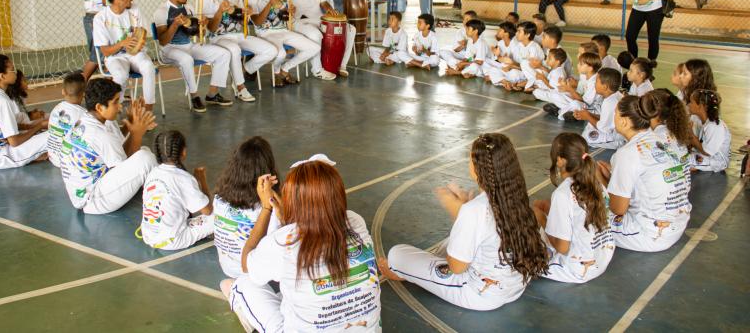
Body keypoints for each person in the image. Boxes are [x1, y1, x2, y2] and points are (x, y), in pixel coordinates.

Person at [379, 134, 548, 311]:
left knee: (397, 255)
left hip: (479, 293)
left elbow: (457, 268)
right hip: (515, 286)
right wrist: (462, 213)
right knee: (450, 243)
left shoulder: (474, 210)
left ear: (477, 168)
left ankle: (407, 272)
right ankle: (419, 270)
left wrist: (458, 213)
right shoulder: (516, 197)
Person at [225, 156, 382, 332]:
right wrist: (289, 222)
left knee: (242, 283)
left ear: (293, 201)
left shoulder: (283, 241)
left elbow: (246, 263)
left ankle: (242, 307)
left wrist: (266, 208)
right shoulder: (355, 221)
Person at [598, 95, 691, 252]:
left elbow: (618, 209)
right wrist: (614, 176)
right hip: (678, 224)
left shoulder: (626, 153)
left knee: (585, 214)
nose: (613, 117)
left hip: (651, 234)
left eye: (615, 113)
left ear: (624, 121)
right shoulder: (661, 140)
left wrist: (599, 178)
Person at [59, 78, 157, 214]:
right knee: (146, 158)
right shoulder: (98, 134)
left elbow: (117, 150)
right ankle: (163, 192)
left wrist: (130, 125)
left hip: (86, 192)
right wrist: (136, 134)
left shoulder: (86, 121)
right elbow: (125, 164)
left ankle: (155, 186)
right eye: (115, 102)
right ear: (100, 107)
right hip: (94, 200)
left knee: (143, 152)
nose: (120, 107)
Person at [532, 133, 614, 283]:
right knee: (544, 207)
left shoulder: (563, 193)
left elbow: (563, 248)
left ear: (560, 160)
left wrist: (541, 219)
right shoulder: (597, 184)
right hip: (602, 259)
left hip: (576, 268)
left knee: (533, 217)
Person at [153, 0, 233, 111]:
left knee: (223, 53)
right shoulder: (161, 11)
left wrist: (201, 27)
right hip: (169, 49)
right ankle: (194, 96)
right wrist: (175, 24)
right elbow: (162, 40)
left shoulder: (189, 8)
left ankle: (212, 94)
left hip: (188, 46)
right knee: (186, 59)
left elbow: (195, 33)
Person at [203, 0, 278, 99]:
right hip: (220, 37)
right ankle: (240, 88)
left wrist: (247, 12)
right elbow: (211, 28)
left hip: (240, 35)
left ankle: (244, 70)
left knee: (271, 50)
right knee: (234, 49)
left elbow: (243, 19)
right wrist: (220, 11)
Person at [213, 136, 281, 280]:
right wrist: (274, 197)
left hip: (227, 267)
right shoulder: (265, 208)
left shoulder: (219, 199)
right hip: (251, 273)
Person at [279, 0, 356, 78]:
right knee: (315, 34)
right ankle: (317, 70)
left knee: (350, 29)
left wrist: (330, 10)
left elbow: (323, 3)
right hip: (298, 22)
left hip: (318, 20)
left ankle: (341, 65)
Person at [140, 130, 214, 250]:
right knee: (220, 217)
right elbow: (208, 211)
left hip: (149, 236)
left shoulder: (153, 172)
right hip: (173, 241)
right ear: (183, 152)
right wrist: (202, 180)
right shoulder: (184, 178)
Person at [247, 0, 322, 86]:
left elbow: (284, 15)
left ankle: (285, 69)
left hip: (283, 30)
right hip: (267, 33)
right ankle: (276, 74)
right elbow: (257, 22)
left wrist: (289, 11)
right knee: (281, 53)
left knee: (314, 48)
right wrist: (269, 4)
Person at [93, 0, 156, 111]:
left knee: (148, 66)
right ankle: (112, 113)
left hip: (135, 54)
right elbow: (105, 52)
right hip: (115, 57)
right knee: (121, 75)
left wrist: (136, 45)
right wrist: (122, 43)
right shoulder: (100, 18)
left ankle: (147, 112)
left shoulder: (134, 9)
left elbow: (141, 33)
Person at [487, 21, 544, 90]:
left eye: (519, 32)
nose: (516, 33)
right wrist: (501, 57)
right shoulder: (519, 45)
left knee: (514, 73)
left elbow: (529, 69)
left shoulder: (533, 47)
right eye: (517, 31)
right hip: (519, 71)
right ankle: (506, 83)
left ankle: (521, 83)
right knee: (494, 70)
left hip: (531, 74)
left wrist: (511, 65)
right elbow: (517, 63)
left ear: (527, 35)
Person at [575, 68, 624, 148]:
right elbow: (606, 119)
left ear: (605, 87)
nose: (594, 84)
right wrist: (588, 114)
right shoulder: (616, 95)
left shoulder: (609, 102)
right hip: (612, 129)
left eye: (596, 82)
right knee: (590, 125)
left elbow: (604, 128)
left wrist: (587, 116)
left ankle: (616, 144)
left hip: (616, 138)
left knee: (586, 137)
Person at [47, 72, 87, 168]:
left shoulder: (56, 109)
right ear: (84, 94)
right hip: (69, 162)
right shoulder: (84, 115)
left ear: (63, 92)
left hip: (53, 158)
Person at [688, 90, 731, 173]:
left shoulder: (714, 126)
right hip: (706, 156)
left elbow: (707, 152)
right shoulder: (704, 122)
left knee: (684, 163)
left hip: (716, 162)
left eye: (691, 102)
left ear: (701, 106)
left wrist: (691, 135)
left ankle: (695, 166)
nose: (689, 105)